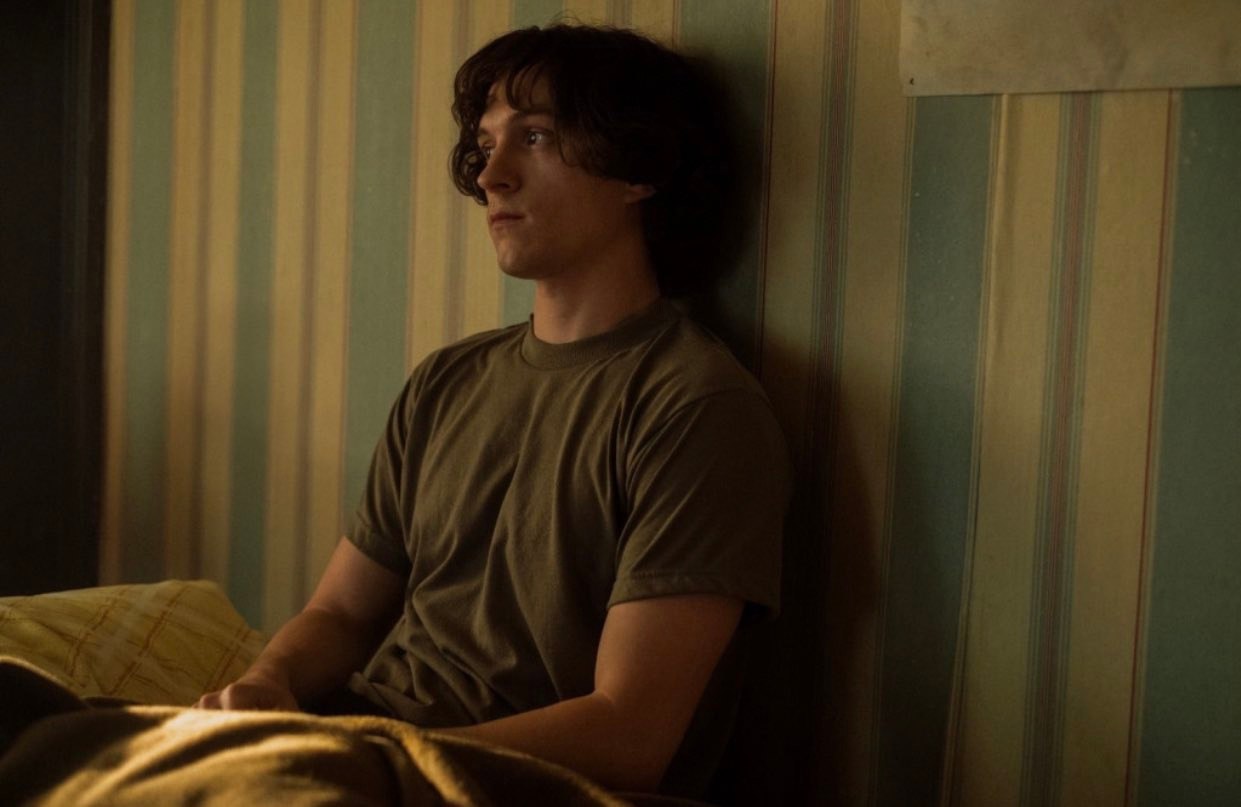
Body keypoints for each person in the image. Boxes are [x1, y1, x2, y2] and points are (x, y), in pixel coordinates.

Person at [197, 24, 790, 798]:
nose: (490, 176)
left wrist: (378, 760)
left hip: (489, 782)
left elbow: (630, 732)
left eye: (534, 137)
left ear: (637, 169)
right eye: (485, 144)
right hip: (363, 746)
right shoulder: (447, 380)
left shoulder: (694, 406)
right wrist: (268, 684)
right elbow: (342, 611)